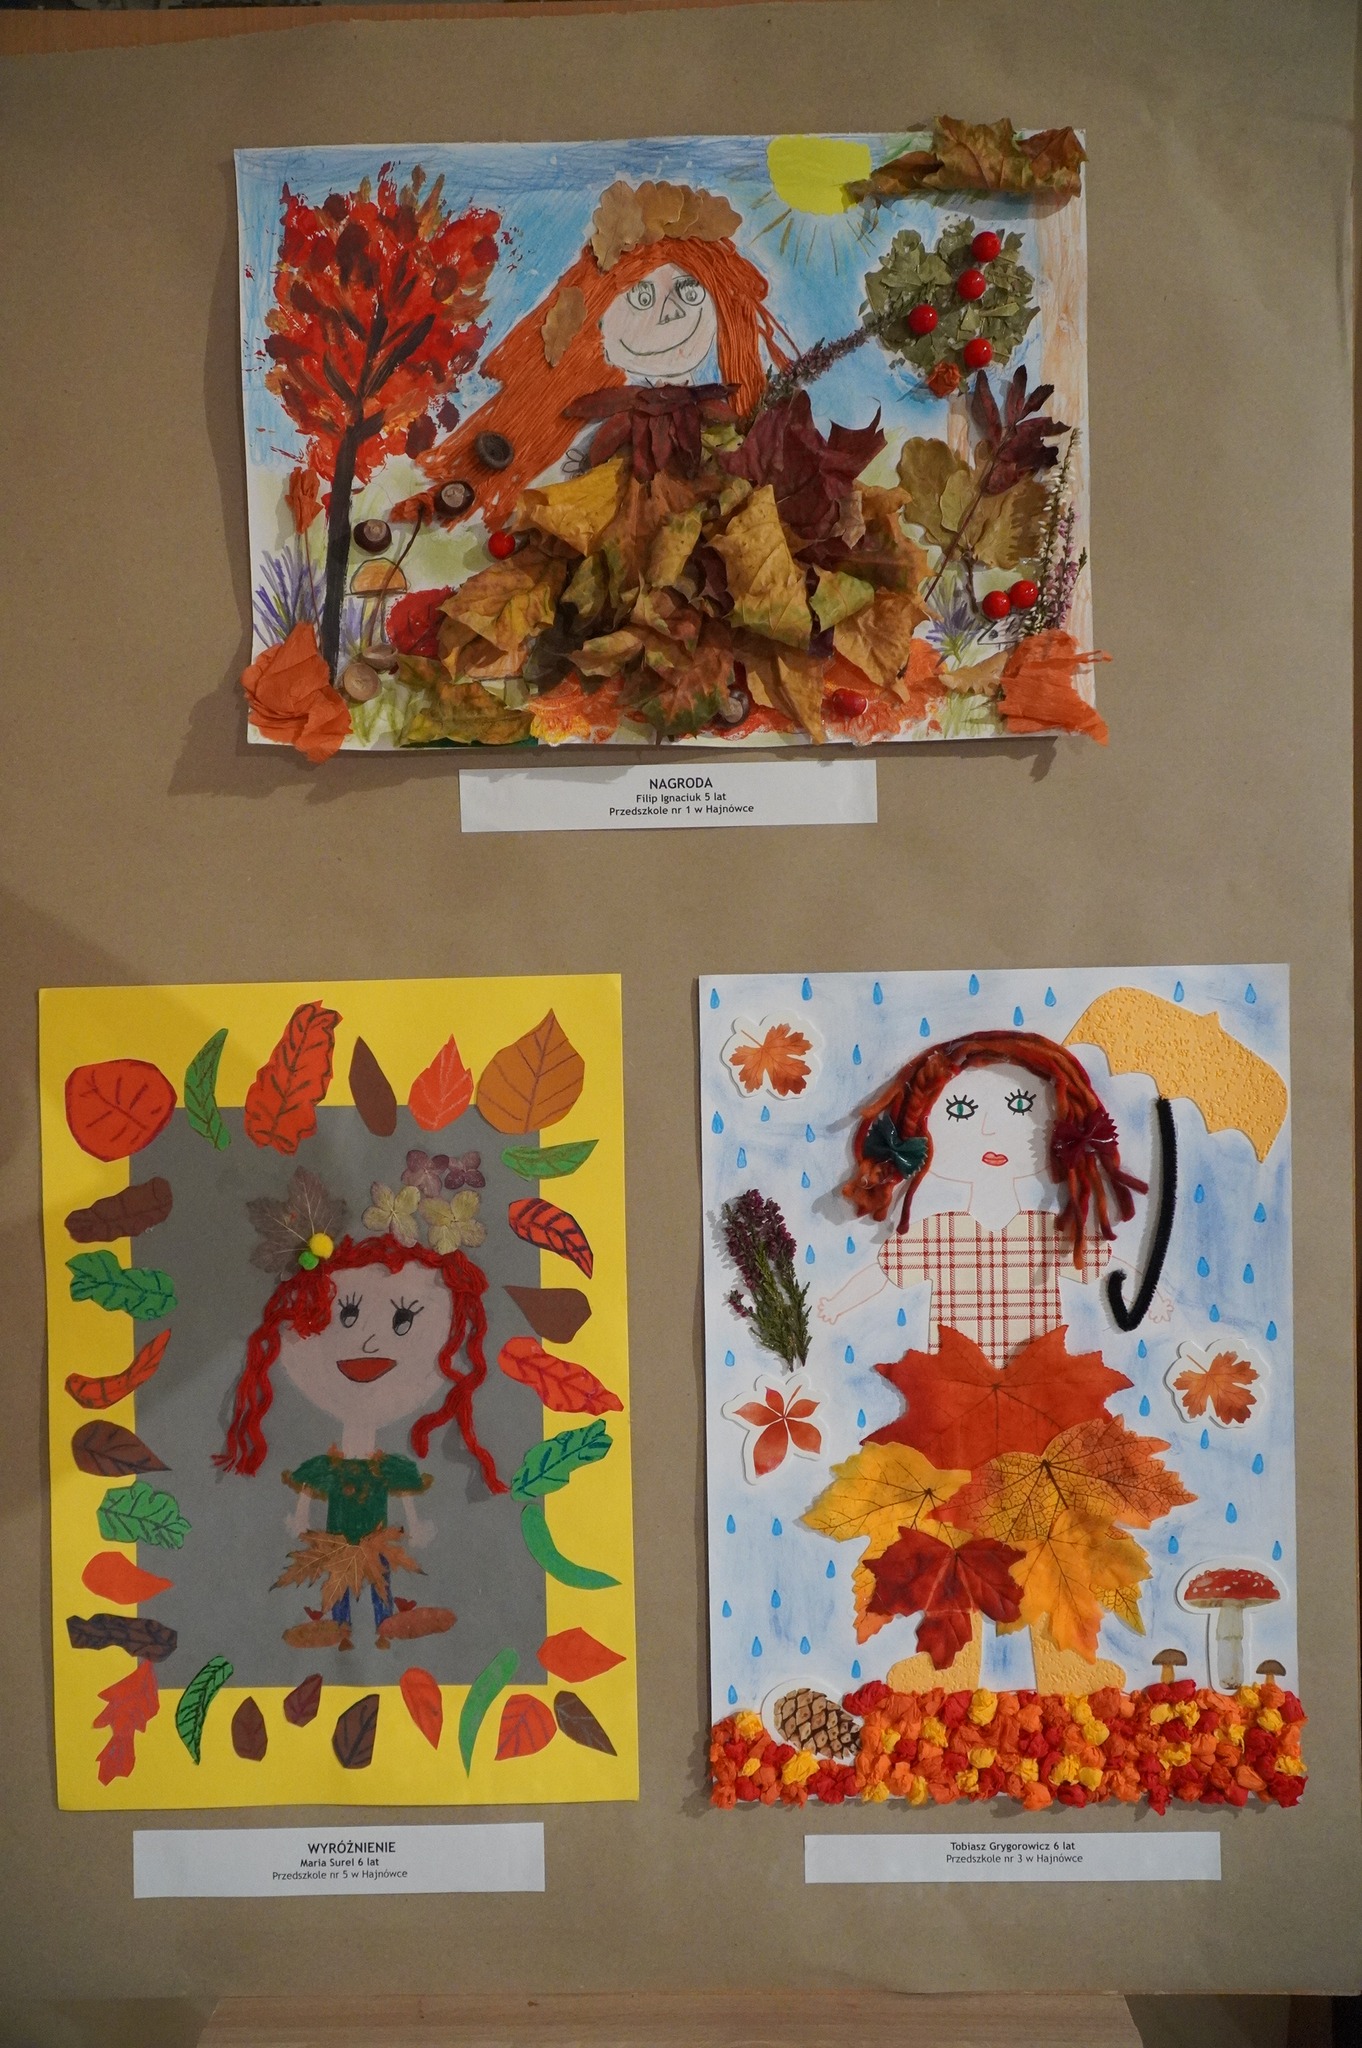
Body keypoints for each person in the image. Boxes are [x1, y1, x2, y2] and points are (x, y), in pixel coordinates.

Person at [821, 1029, 1147, 1694]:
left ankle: (1065, 1662)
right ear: (924, 1134)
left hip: (1044, 1409)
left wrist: (1154, 1298)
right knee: (952, 1533)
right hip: (955, 1411)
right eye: (964, 1111)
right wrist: (833, 1304)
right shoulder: (940, 1232)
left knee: (1054, 1532)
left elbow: (1106, 1266)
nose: (995, 1129)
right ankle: (947, 1667)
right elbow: (883, 1273)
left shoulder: (1051, 1229)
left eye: (1023, 1108)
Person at [401, 176, 796, 533]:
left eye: (690, 292)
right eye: (642, 297)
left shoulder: (722, 422)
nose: (672, 312)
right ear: (598, 313)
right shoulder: (571, 417)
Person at [216, 1232, 504, 1651]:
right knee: (339, 1577)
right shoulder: (332, 1468)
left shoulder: (382, 1468)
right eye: (347, 1315)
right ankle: (338, 1625)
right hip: (337, 1539)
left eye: (402, 1320)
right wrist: (301, 1517)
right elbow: (312, 1486)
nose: (368, 1342)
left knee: (379, 1575)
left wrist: (415, 1524)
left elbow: (401, 1491)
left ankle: (386, 1622)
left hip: (376, 1538)